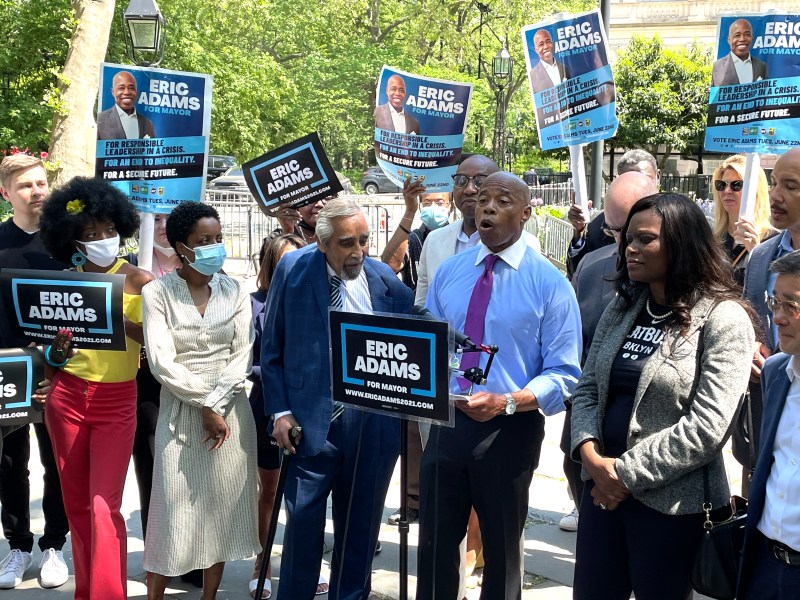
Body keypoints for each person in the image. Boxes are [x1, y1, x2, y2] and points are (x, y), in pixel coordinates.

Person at [570, 193, 756, 600]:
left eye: (645, 240)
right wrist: (590, 456)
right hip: (601, 496)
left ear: (682, 244)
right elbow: (587, 388)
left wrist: (622, 475)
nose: (630, 249)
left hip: (671, 507)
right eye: (628, 239)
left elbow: (707, 428)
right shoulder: (624, 307)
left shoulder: (723, 319)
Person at [416, 172, 582, 600]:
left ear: (526, 213)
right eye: (482, 199)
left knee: (502, 548)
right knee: (434, 545)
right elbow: (430, 345)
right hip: (447, 423)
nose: (487, 206)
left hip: (509, 430)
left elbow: (565, 375)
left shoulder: (551, 284)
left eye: (502, 200)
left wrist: (508, 401)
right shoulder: (450, 273)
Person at [261, 198, 413, 600]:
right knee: (303, 529)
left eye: (364, 240)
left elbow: (418, 326)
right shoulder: (294, 270)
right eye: (348, 243)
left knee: (360, 530)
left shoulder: (381, 278)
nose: (359, 252)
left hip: (372, 430)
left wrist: (455, 342)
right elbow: (271, 349)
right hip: (309, 429)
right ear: (323, 243)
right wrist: (279, 412)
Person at [38, 176, 154, 600]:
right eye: (91, 234)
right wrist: (57, 351)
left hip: (117, 401)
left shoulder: (140, 280)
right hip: (66, 398)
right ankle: (85, 592)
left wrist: (118, 321)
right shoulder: (64, 281)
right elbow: (49, 360)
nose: (103, 239)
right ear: (75, 241)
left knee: (105, 507)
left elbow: (159, 342)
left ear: (121, 228)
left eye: (109, 230)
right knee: (77, 506)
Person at [141, 201, 259, 598]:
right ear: (181, 246)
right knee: (172, 512)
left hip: (231, 416)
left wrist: (217, 404)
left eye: (218, 239)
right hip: (180, 409)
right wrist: (204, 403)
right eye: (203, 241)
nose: (215, 247)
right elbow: (160, 360)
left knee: (221, 512)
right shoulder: (158, 292)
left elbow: (242, 353)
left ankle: (210, 596)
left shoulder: (235, 290)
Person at [558, 170, 658, 533]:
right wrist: (585, 446)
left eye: (635, 234)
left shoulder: (689, 286)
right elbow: (577, 347)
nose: (624, 245)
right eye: (615, 231)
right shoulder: (591, 267)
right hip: (592, 417)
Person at [0, 154, 70, 589]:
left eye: (42, 183)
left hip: (58, 369)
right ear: (6, 193)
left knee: (57, 460)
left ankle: (54, 546)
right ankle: (18, 546)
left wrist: (59, 356)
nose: (38, 191)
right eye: (26, 185)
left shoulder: (66, 243)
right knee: (10, 464)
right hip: (6, 368)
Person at [129, 211, 203, 587]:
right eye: (153, 217)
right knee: (156, 469)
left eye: (167, 218)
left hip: (194, 384)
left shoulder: (202, 266)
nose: (160, 225)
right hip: (146, 388)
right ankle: (159, 553)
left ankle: (194, 554)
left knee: (192, 471)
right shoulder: (130, 272)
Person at [738, 250, 800, 598]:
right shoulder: (776, 372)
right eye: (774, 302)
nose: (777, 318)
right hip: (764, 566)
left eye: (790, 305)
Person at [247, 233, 306, 599]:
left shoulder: (321, 301)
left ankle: (303, 566)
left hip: (311, 409)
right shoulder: (254, 304)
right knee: (269, 490)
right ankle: (262, 563)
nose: (293, 268)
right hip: (267, 406)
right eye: (285, 261)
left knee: (305, 494)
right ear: (270, 265)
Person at [743, 148, 800, 495]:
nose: (775, 195)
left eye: (791, 186)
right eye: (774, 182)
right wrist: (747, 346)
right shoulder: (761, 255)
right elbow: (752, 319)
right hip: (765, 412)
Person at [565, 149, 660, 279]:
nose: (636, 185)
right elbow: (578, 276)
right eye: (615, 231)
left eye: (644, 178)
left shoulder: (679, 220)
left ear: (657, 177)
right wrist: (579, 231)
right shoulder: (598, 226)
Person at [711, 154, 775, 285]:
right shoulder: (713, 238)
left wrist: (756, 252)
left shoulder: (775, 242)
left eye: (736, 185)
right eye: (721, 185)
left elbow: (776, 292)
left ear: (755, 191)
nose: (727, 191)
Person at [97, 71, 156, 140]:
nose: (127, 92)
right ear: (113, 92)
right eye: (121, 88)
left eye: (131, 88)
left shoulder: (147, 124)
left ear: (136, 92)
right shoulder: (100, 120)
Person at [712, 19, 768, 87]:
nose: (742, 39)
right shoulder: (717, 67)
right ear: (729, 40)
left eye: (747, 34)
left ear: (752, 38)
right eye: (737, 35)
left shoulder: (761, 66)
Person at [528, 29, 571, 93]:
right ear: (536, 50)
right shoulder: (532, 76)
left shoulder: (564, 68)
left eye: (548, 42)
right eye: (541, 44)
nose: (546, 47)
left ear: (552, 44)